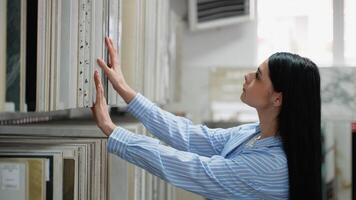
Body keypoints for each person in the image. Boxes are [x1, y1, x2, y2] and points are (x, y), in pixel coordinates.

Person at [91, 37, 322, 200]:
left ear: (277, 99)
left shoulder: (272, 165)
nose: (248, 75)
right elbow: (190, 135)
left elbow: (194, 169)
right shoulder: (253, 134)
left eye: (258, 76)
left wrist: (114, 131)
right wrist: (124, 89)